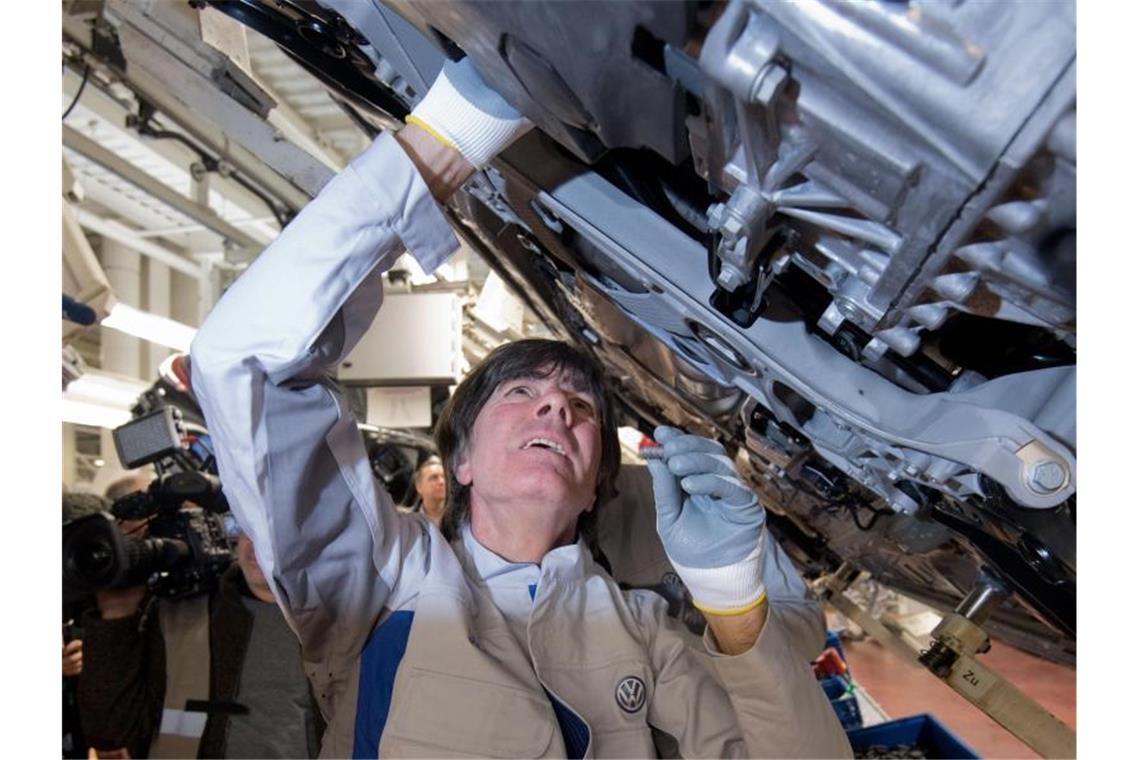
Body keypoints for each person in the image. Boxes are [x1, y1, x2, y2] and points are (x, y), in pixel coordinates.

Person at [190, 58, 851, 757]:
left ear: (600, 480)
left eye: (581, 407)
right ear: (463, 461)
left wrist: (734, 601)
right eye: (521, 393)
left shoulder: (647, 633)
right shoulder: (381, 584)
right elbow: (243, 361)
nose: (557, 411)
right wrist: (440, 147)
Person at [78, 522, 325, 758]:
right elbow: (111, 731)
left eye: (271, 528)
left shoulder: (340, 621)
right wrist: (116, 616)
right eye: (248, 526)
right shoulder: (180, 614)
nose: (256, 543)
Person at [408, 455, 446, 526]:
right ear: (419, 486)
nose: (441, 482)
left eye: (444, 477)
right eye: (434, 477)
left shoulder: (460, 518)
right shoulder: (407, 524)